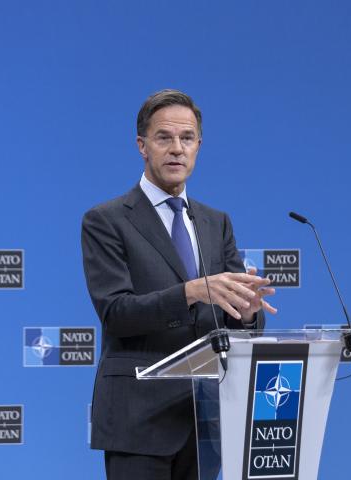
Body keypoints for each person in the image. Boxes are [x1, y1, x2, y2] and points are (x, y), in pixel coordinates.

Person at [81, 89, 277, 480]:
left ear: (199, 146)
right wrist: (191, 291)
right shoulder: (106, 221)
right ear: (142, 145)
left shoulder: (215, 222)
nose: (176, 149)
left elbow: (233, 321)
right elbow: (116, 314)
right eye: (164, 138)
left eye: (186, 138)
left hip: (206, 421)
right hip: (139, 421)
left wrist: (247, 313)